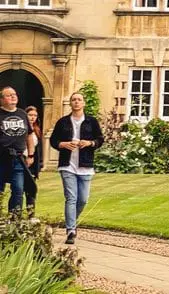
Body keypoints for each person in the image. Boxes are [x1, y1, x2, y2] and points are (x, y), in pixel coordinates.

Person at [49, 91, 104, 244]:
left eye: (79, 100)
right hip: (67, 165)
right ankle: (71, 230)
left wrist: (90, 143)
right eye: (74, 100)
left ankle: (72, 220)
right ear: (71, 103)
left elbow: (100, 139)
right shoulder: (63, 122)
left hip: (85, 165)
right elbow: (53, 140)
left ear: (83, 103)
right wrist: (63, 144)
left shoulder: (91, 122)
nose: (76, 102)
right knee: (71, 198)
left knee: (83, 199)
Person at [0, 85, 31, 216]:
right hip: (1, 157)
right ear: (1, 99)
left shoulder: (22, 113)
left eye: (14, 94)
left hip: (18, 158)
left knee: (18, 190)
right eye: (9, 95)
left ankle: (14, 221)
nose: (13, 97)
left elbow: (29, 134)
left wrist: (31, 154)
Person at [24, 105, 43, 217]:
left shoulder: (36, 130)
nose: (33, 118)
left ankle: (31, 215)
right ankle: (15, 216)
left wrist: (39, 164)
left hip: (32, 164)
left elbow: (38, 149)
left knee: (31, 190)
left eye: (35, 115)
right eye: (30, 115)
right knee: (18, 190)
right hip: (22, 161)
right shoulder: (22, 129)